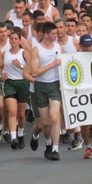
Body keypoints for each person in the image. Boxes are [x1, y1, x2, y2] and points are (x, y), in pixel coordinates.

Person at [27, 21, 63, 161]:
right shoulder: (37, 50)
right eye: (53, 33)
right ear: (46, 35)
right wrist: (52, 64)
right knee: (44, 123)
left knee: (54, 117)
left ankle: (55, 148)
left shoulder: (58, 47)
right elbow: (35, 72)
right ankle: (37, 135)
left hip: (54, 85)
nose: (56, 35)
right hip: (40, 86)